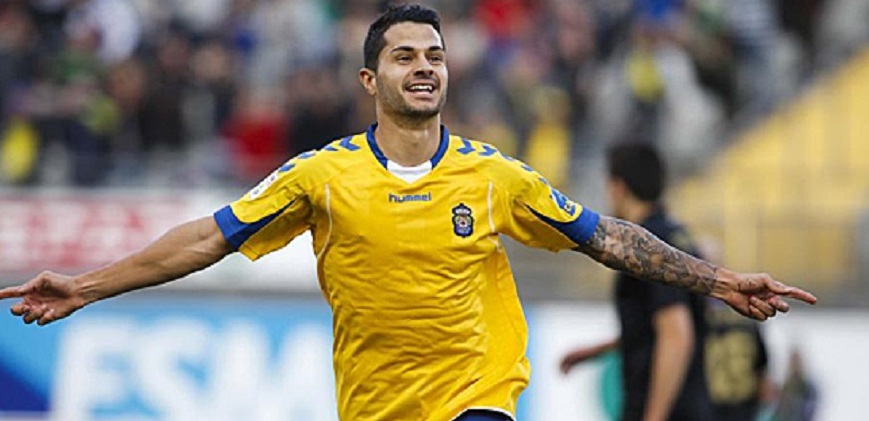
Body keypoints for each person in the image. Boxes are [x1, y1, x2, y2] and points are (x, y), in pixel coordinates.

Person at [0, 5, 817, 421]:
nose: (423, 67)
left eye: (434, 55)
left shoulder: (494, 177)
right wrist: (88, 285)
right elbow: (207, 239)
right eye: (403, 56)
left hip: (478, 397)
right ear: (370, 80)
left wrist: (717, 281)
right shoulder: (320, 176)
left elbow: (608, 237)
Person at [560, 143, 714, 421]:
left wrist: (653, 417)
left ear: (618, 187)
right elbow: (655, 324)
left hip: (666, 410)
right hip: (691, 403)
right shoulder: (676, 236)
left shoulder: (646, 248)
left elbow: (676, 334)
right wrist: (599, 351)